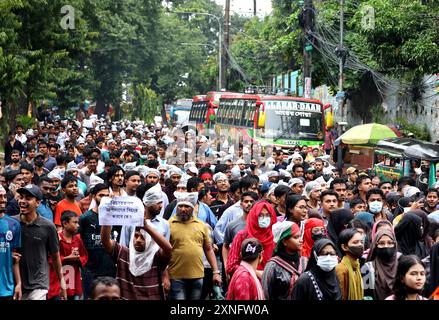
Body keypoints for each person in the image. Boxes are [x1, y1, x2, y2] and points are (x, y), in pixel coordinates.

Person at [100, 210, 172, 300]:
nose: (138, 240)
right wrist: (108, 214)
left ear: (151, 241)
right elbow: (105, 241)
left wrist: (147, 227)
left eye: (143, 237)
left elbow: (168, 249)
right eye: (136, 235)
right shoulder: (123, 253)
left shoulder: (156, 257)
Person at [13, 184, 67, 300]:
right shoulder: (11, 223)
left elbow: (56, 257)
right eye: (21, 197)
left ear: (38, 203)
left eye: (28, 198)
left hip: (39, 284)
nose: (22, 201)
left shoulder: (48, 226)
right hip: (15, 283)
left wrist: (62, 283)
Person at [168, 192, 221, 300]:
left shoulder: (201, 225)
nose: (183, 209)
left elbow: (208, 249)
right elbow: (163, 252)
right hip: (176, 277)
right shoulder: (168, 224)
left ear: (193, 207)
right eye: (180, 206)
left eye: (186, 206)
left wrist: (216, 272)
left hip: (197, 276)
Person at [78, 183, 116, 299]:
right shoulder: (85, 218)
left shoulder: (115, 216)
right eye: (101, 196)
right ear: (94, 196)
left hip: (109, 268)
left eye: (107, 196)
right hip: (90, 269)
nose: (105, 199)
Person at [226, 200, 277, 278]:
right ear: (254, 216)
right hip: (247, 283)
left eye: (267, 215)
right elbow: (231, 266)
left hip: (268, 285)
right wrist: (254, 272)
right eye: (260, 215)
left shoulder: (274, 237)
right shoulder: (242, 236)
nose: (264, 218)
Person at [261, 221, 306, 300]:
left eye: (300, 236)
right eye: (296, 237)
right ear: (284, 241)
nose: (300, 240)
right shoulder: (272, 266)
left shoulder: (304, 261)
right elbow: (266, 294)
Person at [49, 210, 88, 300]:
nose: (78, 225)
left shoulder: (78, 240)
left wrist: (78, 259)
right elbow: (50, 259)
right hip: (58, 282)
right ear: (65, 224)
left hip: (74, 282)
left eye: (78, 223)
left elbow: (84, 256)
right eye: (75, 222)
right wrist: (67, 258)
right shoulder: (56, 239)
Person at [362, 228, 400, 300]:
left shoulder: (402, 263)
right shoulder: (367, 268)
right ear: (376, 246)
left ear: (395, 244)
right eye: (382, 243)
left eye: (390, 243)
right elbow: (367, 296)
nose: (386, 246)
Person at [0, 185, 22, 300]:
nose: (3, 199)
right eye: (0, 196)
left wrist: (18, 284)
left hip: (7, 288)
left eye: (4, 196)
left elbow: (15, 258)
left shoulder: (13, 224)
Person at [335, 228, 365, 300]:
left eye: (361, 242)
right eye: (355, 242)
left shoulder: (356, 265)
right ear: (344, 247)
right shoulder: (341, 269)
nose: (360, 245)